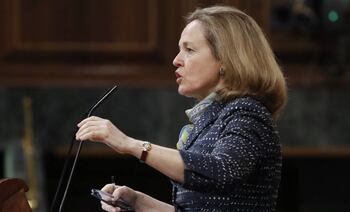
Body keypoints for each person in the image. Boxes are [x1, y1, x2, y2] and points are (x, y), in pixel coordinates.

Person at [76, 5, 287, 211]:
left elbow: (221, 171)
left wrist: (130, 144)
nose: (176, 60)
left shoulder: (247, 112)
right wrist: (138, 201)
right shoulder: (212, 119)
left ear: (226, 59)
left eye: (189, 50)